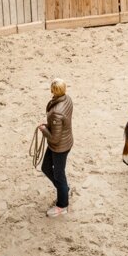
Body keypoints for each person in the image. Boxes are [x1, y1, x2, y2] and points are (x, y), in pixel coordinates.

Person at [37, 78, 74, 218]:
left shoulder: (56, 113)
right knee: (46, 167)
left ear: (53, 90)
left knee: (59, 175)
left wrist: (44, 129)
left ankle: (62, 205)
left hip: (59, 147)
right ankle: (64, 190)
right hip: (65, 141)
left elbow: (54, 138)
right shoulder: (67, 99)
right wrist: (50, 126)